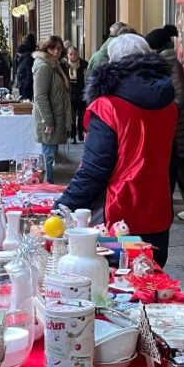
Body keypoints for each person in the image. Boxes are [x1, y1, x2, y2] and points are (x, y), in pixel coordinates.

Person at [58, 34, 177, 266]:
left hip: (118, 214)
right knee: (150, 281)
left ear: (112, 63)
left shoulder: (107, 106)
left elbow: (94, 169)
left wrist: (63, 206)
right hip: (158, 210)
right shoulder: (168, 105)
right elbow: (173, 161)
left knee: (116, 284)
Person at [147, 25, 184, 220]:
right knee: (175, 165)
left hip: (173, 124)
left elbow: (181, 95)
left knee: (177, 164)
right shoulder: (166, 63)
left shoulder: (169, 64)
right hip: (172, 122)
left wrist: (163, 109)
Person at [33, 35, 72, 183]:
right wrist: (48, 121)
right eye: (52, 48)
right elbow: (40, 96)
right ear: (45, 48)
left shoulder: (56, 65)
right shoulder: (44, 66)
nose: (56, 51)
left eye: (59, 48)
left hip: (57, 114)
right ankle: (47, 186)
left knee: (51, 153)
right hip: (49, 118)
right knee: (48, 154)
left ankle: (48, 183)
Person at [65, 45, 89, 143]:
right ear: (67, 55)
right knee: (72, 116)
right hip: (70, 94)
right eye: (71, 54)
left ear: (78, 54)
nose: (73, 56)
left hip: (82, 93)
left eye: (75, 54)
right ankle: (72, 135)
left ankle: (80, 133)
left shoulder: (84, 64)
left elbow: (88, 77)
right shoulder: (65, 65)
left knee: (81, 115)